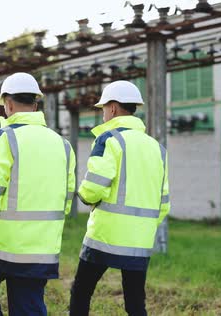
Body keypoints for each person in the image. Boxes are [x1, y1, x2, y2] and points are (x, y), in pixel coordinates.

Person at [0, 72, 76, 315]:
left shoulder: (4, 138)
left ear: (8, 103)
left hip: (5, 247)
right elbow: (66, 198)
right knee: (29, 303)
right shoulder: (63, 145)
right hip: (43, 248)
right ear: (35, 105)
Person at [69, 80, 171, 316]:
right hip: (140, 240)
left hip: (106, 236)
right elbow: (163, 202)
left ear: (113, 108)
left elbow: (94, 187)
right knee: (135, 302)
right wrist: (143, 227)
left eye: (103, 108)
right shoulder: (157, 148)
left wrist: (84, 195)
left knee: (82, 291)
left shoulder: (109, 140)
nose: (103, 113)